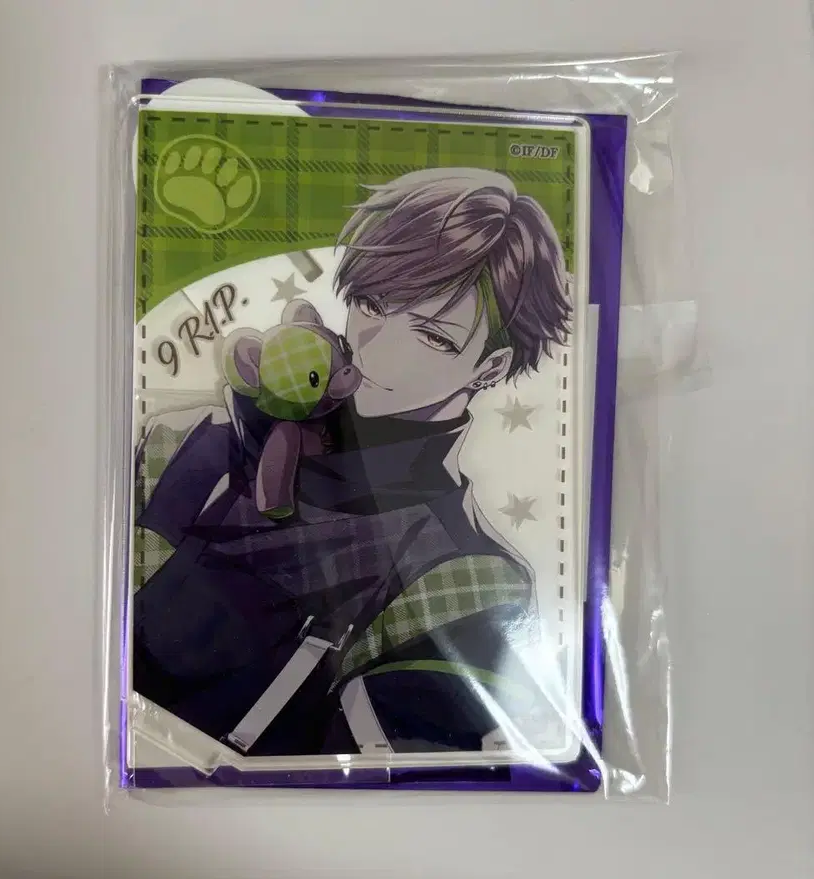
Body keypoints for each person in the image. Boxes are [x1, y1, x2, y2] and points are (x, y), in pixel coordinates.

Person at [132, 168, 571, 757]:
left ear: (490, 368)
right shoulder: (190, 443)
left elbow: (386, 782)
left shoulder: (470, 579)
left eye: (432, 336)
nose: (373, 349)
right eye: (371, 304)